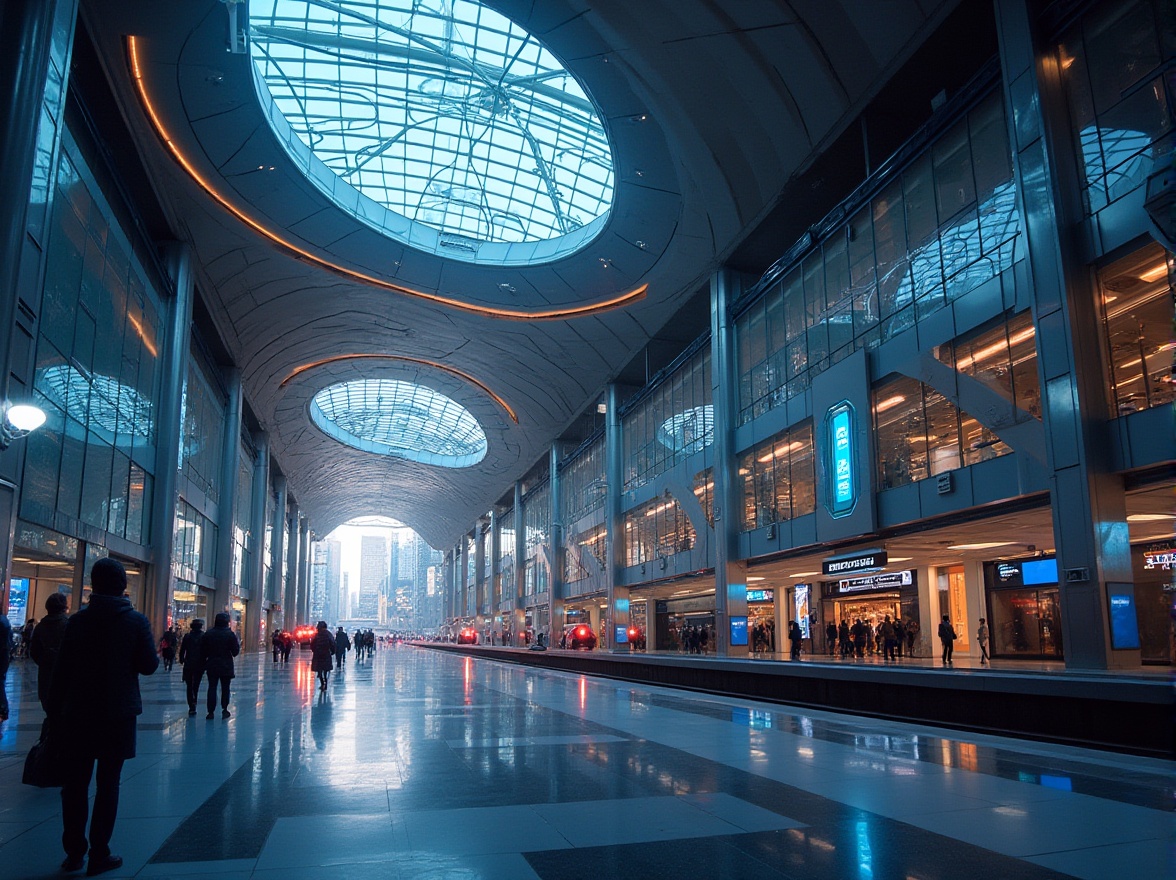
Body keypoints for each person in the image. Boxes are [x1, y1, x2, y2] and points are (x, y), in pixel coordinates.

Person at [49, 557, 158, 876]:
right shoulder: (135, 621)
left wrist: (54, 712)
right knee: (109, 783)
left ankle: (73, 852)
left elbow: (62, 671)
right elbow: (149, 665)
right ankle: (100, 852)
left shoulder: (77, 622)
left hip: (78, 713)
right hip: (118, 713)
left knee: (75, 784)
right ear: (123, 585)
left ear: (93, 585)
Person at [29, 593, 70, 727]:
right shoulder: (68, 625)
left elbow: (34, 652)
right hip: (64, 676)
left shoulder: (41, 627)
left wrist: (44, 662)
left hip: (46, 675)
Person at [202, 612, 240, 719]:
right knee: (225, 687)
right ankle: (224, 708)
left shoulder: (209, 634)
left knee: (212, 687)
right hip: (226, 665)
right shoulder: (230, 634)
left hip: (212, 664)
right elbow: (235, 652)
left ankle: (210, 711)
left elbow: (203, 651)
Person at [178, 619, 205, 716]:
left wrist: (181, 659)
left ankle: (191, 706)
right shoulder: (203, 636)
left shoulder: (187, 636)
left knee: (189, 685)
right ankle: (194, 702)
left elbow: (183, 649)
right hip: (200, 664)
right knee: (196, 685)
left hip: (189, 663)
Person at [309, 621, 335, 691]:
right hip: (326, 654)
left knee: (319, 669)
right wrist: (332, 652)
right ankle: (325, 682)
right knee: (326, 670)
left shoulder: (317, 635)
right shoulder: (328, 634)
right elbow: (332, 643)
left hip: (318, 654)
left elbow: (312, 644)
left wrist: (315, 651)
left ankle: (322, 683)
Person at [0, 610, 13, 722]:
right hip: (3, 659)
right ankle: (3, 709)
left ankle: (3, 709)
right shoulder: (4, 621)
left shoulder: (1, 622)